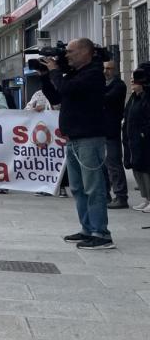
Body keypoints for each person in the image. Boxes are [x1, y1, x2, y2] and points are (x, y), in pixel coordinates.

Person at [41, 38, 114, 250]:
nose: (66, 55)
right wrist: (46, 77)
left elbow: (67, 90)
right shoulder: (75, 73)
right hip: (72, 138)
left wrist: (55, 71)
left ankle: (101, 233)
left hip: (89, 138)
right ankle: (87, 228)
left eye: (71, 51)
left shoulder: (92, 74)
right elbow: (56, 95)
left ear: (85, 52)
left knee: (94, 188)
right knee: (78, 188)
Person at [123, 64, 150, 212]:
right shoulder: (133, 98)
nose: (132, 82)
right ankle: (145, 198)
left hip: (144, 140)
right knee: (137, 168)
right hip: (132, 139)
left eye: (135, 80)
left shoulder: (147, 98)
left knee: (146, 170)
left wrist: (143, 133)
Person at [103, 60, 128, 209]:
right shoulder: (103, 85)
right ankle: (105, 194)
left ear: (115, 70)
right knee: (102, 166)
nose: (106, 71)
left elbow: (107, 99)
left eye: (109, 69)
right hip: (100, 129)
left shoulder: (118, 85)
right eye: (104, 68)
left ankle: (121, 196)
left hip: (111, 130)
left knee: (114, 164)